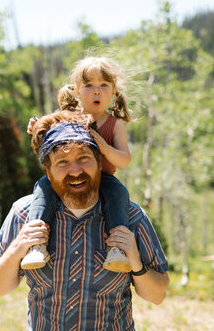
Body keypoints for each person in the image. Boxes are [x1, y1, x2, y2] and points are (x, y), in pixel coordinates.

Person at [0, 110, 169, 331]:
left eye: (83, 158)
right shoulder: (24, 214)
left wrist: (136, 262)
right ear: (48, 172)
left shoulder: (131, 217)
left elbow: (158, 295)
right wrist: (16, 250)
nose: (75, 171)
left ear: (98, 161)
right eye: (62, 162)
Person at [21, 56, 133, 273]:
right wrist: (36, 125)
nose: (97, 91)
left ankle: (117, 249)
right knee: (44, 187)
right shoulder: (69, 116)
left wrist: (104, 148)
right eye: (89, 86)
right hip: (70, 176)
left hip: (102, 177)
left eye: (103, 85)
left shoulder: (114, 124)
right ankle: (37, 244)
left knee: (118, 193)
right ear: (77, 92)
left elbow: (124, 159)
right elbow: (49, 128)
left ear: (114, 91)